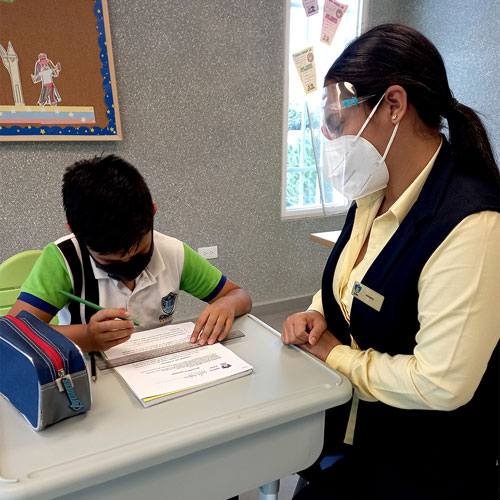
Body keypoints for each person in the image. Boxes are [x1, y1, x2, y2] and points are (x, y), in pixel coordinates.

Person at [282, 24, 499, 500]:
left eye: (338, 122)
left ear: (394, 105)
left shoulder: (471, 224)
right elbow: (351, 280)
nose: (332, 140)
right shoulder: (372, 192)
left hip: (425, 464)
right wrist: (318, 312)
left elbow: (441, 383)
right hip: (353, 435)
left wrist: (335, 354)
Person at [9, 154, 252, 352]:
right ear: (75, 232)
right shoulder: (63, 259)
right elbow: (15, 333)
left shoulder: (173, 253)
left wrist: (227, 305)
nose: (128, 264)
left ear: (152, 212)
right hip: (89, 374)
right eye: (109, 260)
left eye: (141, 252)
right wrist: (86, 337)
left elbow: (239, 295)